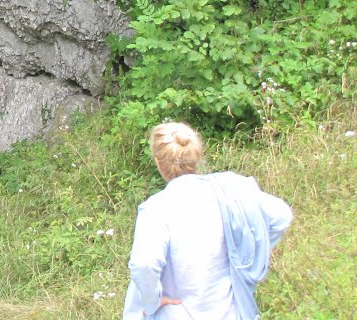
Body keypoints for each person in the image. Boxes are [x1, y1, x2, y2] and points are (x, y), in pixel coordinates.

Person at [123, 122, 293, 320]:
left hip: (177, 313)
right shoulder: (232, 188)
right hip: (231, 311)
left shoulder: (156, 209)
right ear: (197, 156)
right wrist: (247, 258)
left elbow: (144, 263)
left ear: (158, 162)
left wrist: (151, 302)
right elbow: (281, 216)